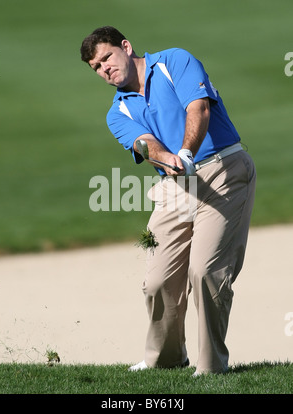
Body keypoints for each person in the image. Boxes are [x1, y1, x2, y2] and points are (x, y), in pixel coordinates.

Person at [80, 26, 256, 376]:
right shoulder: (117, 113)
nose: (105, 70)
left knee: (205, 271)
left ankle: (210, 369)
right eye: (96, 68)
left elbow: (199, 109)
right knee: (158, 281)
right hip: (174, 186)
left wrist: (186, 152)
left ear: (125, 47)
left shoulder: (173, 61)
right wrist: (168, 158)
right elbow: (146, 146)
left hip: (224, 170)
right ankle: (167, 360)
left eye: (107, 58)